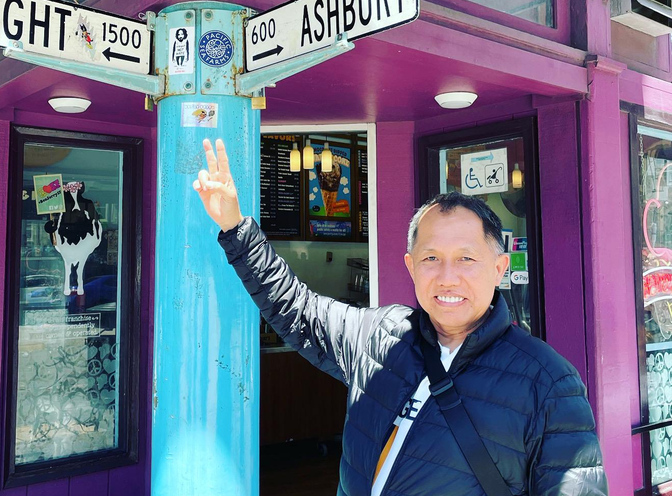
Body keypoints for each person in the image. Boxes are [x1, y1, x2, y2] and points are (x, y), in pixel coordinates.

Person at [193, 138, 608, 496]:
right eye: (431, 259)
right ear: (410, 266)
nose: (447, 278)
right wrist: (234, 226)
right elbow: (296, 309)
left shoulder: (549, 383)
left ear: (499, 269)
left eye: (466, 258)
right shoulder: (380, 336)